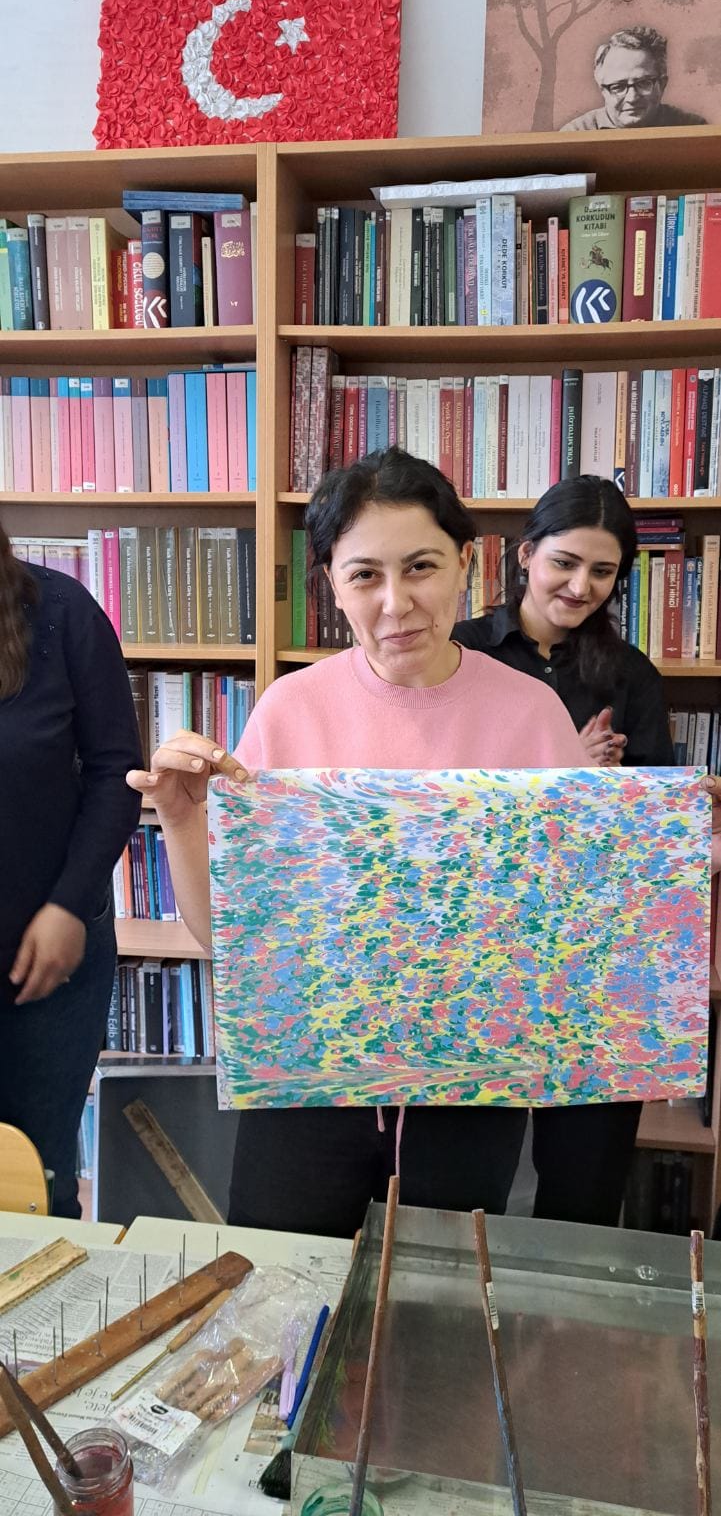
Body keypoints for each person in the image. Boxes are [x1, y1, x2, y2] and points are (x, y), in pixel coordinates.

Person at [128, 449, 589, 1238]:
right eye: (364, 575)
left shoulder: (531, 714)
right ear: (331, 585)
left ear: (465, 562)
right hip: (306, 1083)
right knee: (283, 1281)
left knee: (438, 1295)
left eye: (421, 567)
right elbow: (231, 940)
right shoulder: (290, 709)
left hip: (469, 1085)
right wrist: (178, 818)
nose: (396, 603)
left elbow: (575, 927)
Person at [452, 474, 675, 1226]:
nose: (581, 587)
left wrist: (667, 808)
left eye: (602, 571)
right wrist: (563, 775)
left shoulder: (630, 675)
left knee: (583, 1186)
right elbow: (435, 809)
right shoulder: (459, 653)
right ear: (526, 555)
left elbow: (647, 832)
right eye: (564, 563)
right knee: (459, 1178)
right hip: (475, 951)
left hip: (593, 956)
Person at [0, 523, 143, 1217]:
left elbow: (118, 771)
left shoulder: (61, 611)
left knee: (38, 1182)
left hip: (46, 957)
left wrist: (69, 904)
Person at [561, 26, 707, 131]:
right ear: (602, 90)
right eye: (618, 87)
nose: (632, 98)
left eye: (643, 83)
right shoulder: (575, 134)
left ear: (662, 85)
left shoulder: (693, 129)